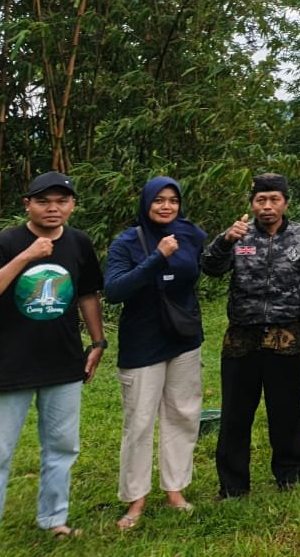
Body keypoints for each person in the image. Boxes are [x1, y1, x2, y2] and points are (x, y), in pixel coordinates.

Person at [0, 171, 105, 554]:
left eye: (62, 201)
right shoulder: (5, 242)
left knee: (61, 448)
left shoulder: (79, 243)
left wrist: (97, 342)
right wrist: (27, 255)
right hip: (10, 364)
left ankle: (53, 518)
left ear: (73, 205)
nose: (53, 208)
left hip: (62, 363)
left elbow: (88, 295)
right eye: (44, 201)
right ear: (27, 204)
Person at [202, 173, 300, 497]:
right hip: (241, 336)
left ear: (285, 202)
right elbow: (210, 267)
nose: (267, 207)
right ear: (252, 203)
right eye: (261, 200)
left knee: (285, 411)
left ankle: (290, 475)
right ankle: (232, 485)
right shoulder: (239, 234)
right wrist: (225, 240)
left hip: (286, 334)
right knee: (235, 415)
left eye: (274, 200)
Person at [103, 177, 206, 528]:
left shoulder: (191, 234)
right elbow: (115, 290)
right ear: (145, 202)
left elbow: (206, 267)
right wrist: (156, 258)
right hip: (142, 343)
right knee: (140, 422)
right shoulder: (128, 242)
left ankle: (175, 489)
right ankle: (136, 499)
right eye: (159, 200)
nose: (166, 206)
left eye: (173, 200)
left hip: (183, 338)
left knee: (183, 414)